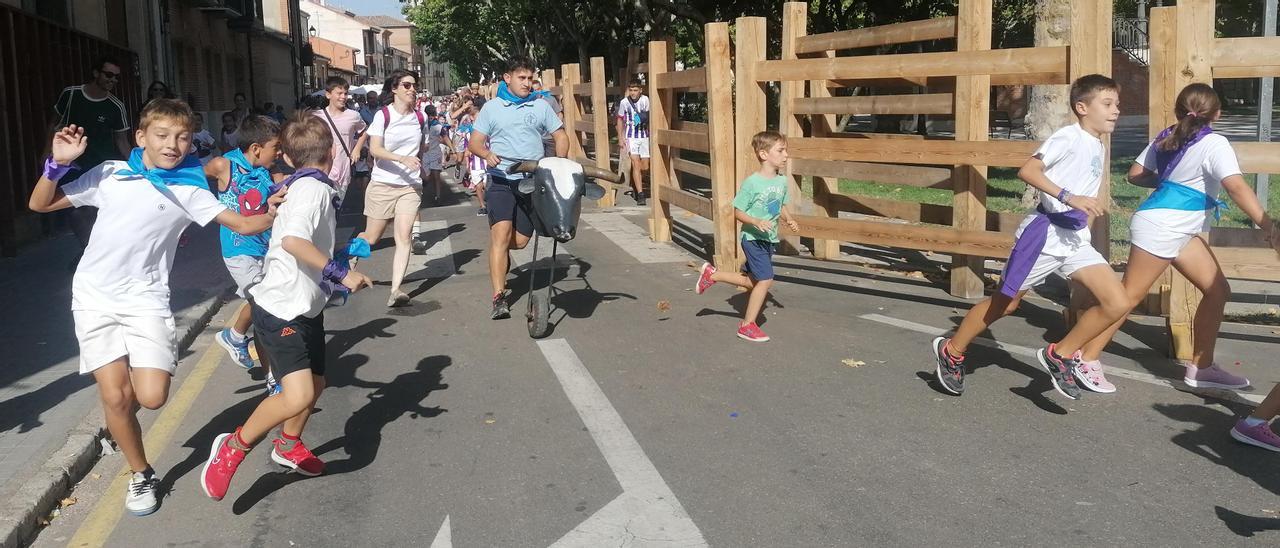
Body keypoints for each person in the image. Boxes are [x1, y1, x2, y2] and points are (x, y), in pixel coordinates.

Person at [28, 98, 280, 516]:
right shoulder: (110, 173)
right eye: (162, 135)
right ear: (141, 136)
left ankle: (122, 420)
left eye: (182, 137)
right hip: (94, 297)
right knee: (115, 395)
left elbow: (242, 223)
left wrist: (275, 211)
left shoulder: (188, 188)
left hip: (146, 299)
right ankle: (141, 472)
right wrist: (55, 166)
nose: (173, 145)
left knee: (153, 396)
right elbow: (41, 204)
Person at [200, 115, 372, 501]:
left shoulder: (306, 187)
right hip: (280, 309)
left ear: (290, 160)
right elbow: (294, 242)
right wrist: (340, 273)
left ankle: (288, 445)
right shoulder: (310, 190)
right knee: (295, 395)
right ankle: (233, 447)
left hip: (304, 305)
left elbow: (297, 242)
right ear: (331, 152)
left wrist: (340, 254)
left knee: (317, 385)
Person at [928, 75, 1129, 400]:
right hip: (1044, 236)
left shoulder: (1096, 142)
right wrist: (1069, 197)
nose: (1116, 110)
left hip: (1074, 238)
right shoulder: (1069, 136)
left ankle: (1060, 355)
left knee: (1117, 302)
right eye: (1107, 104)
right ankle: (951, 350)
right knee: (1005, 305)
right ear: (1082, 107)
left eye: (1117, 104)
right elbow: (1028, 171)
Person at [1076, 83, 1280, 393]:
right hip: (1164, 227)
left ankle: (1202, 367)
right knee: (1127, 297)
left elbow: (1134, 174)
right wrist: (1268, 225)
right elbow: (1236, 187)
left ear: (1178, 111)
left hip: (1175, 227)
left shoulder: (1168, 135)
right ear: (1218, 114)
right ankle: (1084, 358)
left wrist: (1172, 181)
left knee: (1217, 290)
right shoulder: (1215, 143)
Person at [469, 56, 568, 319]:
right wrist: (486, 153)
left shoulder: (540, 105)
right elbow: (475, 142)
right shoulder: (492, 108)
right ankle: (499, 297)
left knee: (521, 241)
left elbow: (560, 135)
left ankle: (499, 256)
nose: (527, 83)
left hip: (530, 182)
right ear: (507, 78)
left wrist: (559, 161)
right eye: (522, 78)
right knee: (500, 235)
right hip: (500, 180)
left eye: (530, 78)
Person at [694, 131, 799, 342]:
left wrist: (789, 219)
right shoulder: (752, 183)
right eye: (780, 150)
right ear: (763, 154)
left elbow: (780, 205)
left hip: (769, 239)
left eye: (785, 150)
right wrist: (755, 221)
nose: (786, 155)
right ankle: (747, 325)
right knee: (766, 280)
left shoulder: (782, 182)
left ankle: (712, 275)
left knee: (753, 281)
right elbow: (737, 211)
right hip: (752, 238)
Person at [205, 115, 283, 374]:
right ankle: (273, 375)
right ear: (256, 148)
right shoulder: (223, 165)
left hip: (264, 246)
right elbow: (188, 176)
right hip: (238, 248)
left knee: (261, 303)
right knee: (265, 304)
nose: (279, 152)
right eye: (276, 147)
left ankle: (235, 336)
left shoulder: (267, 171)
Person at [357, 69, 427, 307]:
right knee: (371, 237)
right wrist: (401, 159)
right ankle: (348, 259)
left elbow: (422, 146)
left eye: (414, 85)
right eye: (406, 85)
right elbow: (375, 149)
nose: (412, 89)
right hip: (383, 184)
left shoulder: (420, 118)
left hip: (410, 185)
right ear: (395, 89)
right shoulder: (383, 116)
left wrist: (419, 164)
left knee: (404, 237)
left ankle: (395, 290)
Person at [52, 56, 132, 255]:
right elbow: (54, 124)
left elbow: (121, 140)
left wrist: (136, 165)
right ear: (96, 73)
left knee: (97, 210)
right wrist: (47, 152)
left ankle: (98, 251)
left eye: (116, 77)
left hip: (101, 166)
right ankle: (87, 250)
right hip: (72, 164)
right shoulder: (71, 95)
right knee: (75, 211)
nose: (113, 80)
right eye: (109, 75)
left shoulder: (116, 106)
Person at [313, 76, 369, 205]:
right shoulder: (317, 117)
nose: (343, 97)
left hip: (343, 169)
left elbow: (364, 131)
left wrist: (357, 149)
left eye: (345, 93)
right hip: (321, 169)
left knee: (336, 208)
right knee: (321, 207)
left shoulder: (353, 115)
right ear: (328, 95)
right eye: (339, 93)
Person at [616, 79, 651, 205]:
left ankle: (636, 184)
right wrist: (621, 138)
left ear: (640, 90)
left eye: (635, 90)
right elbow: (620, 120)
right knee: (636, 163)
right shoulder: (624, 103)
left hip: (644, 136)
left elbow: (648, 117)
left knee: (645, 167)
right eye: (631, 90)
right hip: (631, 137)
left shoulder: (645, 100)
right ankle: (641, 194)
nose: (633, 93)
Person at [420, 104, 456, 205]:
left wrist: (453, 149)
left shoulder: (438, 126)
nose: (431, 117)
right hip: (425, 154)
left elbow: (445, 138)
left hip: (435, 153)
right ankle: (424, 188)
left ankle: (438, 196)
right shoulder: (422, 125)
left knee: (436, 176)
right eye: (429, 115)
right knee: (426, 177)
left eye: (432, 114)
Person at [533, 79, 565, 159]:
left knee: (551, 159)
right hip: (538, 138)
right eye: (534, 90)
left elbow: (559, 114)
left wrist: (555, 127)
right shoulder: (531, 102)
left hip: (550, 137)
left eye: (538, 89)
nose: (537, 92)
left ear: (541, 88)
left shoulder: (550, 99)